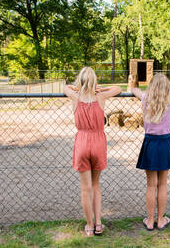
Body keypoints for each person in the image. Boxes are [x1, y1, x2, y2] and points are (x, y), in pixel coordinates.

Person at [64, 67, 122, 236]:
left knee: (85, 188)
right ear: (94, 81)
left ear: (80, 81)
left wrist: (78, 88)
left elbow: (65, 88)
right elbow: (118, 89)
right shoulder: (100, 97)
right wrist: (100, 88)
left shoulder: (75, 97)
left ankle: (89, 226)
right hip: (98, 142)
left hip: (82, 141)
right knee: (96, 185)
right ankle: (98, 223)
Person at [131, 73, 170, 231]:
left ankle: (150, 220)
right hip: (165, 143)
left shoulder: (146, 98)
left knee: (151, 185)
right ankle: (161, 220)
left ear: (151, 86)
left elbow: (134, 89)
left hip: (150, 143)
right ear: (166, 88)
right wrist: (168, 90)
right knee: (163, 184)